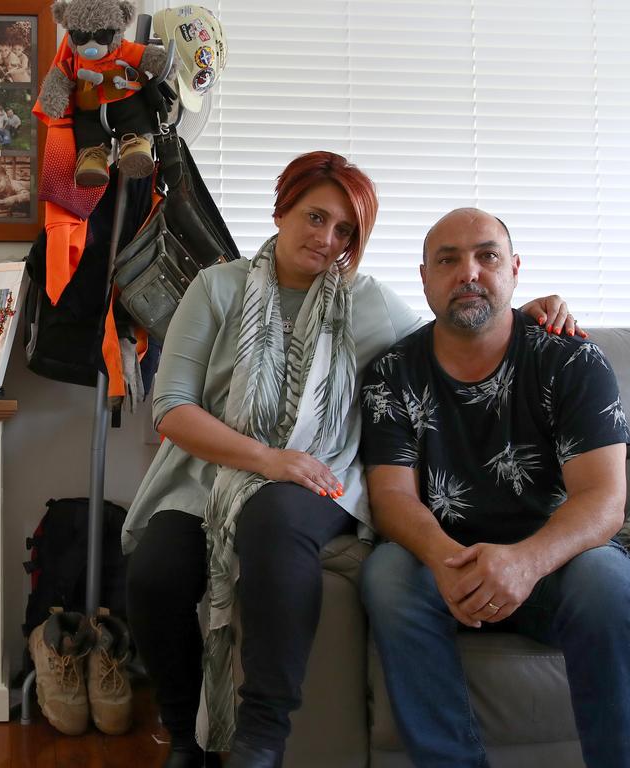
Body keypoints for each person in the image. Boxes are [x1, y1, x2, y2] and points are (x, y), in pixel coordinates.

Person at [122, 151, 582, 768]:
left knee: (275, 517)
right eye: (315, 218)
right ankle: (184, 739)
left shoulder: (368, 303)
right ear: (282, 209)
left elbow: (452, 333)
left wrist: (521, 314)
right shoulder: (218, 287)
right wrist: (266, 458)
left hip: (318, 477)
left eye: (345, 231)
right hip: (210, 474)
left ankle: (261, 739)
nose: (327, 239)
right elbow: (171, 407)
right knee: (154, 571)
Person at [359, 208, 630, 768]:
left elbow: (604, 499)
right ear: (425, 278)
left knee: (607, 578)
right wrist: (444, 558)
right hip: (446, 562)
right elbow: (391, 497)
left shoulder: (571, 360)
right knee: (386, 573)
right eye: (448, 260)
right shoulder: (392, 373)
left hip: (557, 561)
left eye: (487, 256)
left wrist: (525, 563)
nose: (469, 273)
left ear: (514, 270)